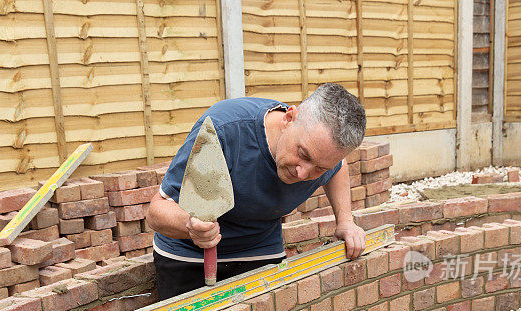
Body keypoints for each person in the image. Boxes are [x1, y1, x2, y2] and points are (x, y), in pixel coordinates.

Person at [146, 83, 368, 300]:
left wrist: (345, 221)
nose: (303, 173)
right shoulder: (224, 130)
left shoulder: (323, 155)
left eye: (320, 168)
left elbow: (339, 168)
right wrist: (190, 226)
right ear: (288, 119)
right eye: (304, 154)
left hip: (260, 248)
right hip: (190, 254)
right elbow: (156, 212)